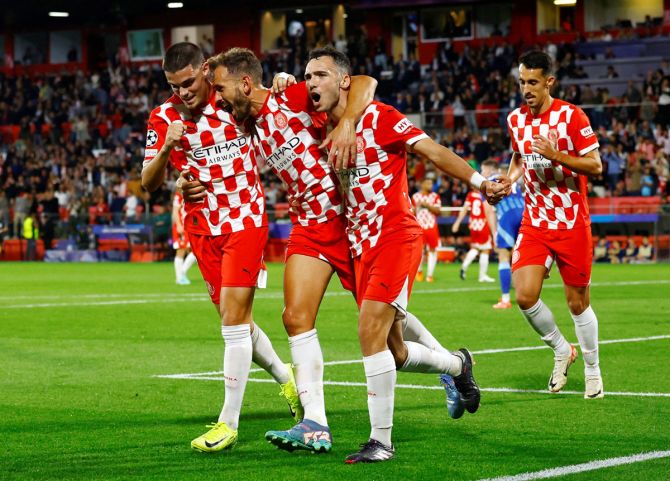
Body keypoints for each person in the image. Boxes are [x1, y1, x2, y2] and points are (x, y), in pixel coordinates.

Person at [182, 47, 465, 455]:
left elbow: (364, 83)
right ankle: (315, 422)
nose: (218, 99)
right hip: (310, 229)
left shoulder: (292, 95)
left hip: (351, 225)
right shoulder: (249, 127)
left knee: (392, 341)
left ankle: (454, 366)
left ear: (246, 84)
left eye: (221, 89)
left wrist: (347, 121)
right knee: (294, 317)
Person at [288, 46, 507, 463]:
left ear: (344, 81)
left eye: (319, 75)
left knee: (369, 331)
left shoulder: (380, 116)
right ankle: (458, 365)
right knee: (395, 349)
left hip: (396, 235)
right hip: (358, 244)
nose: (311, 82)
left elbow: (433, 151)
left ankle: (381, 441)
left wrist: (480, 183)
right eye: (306, 76)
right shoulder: (316, 126)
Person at [140, 42, 301, 453]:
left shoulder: (232, 101)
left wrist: (284, 83)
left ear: (206, 71)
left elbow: (271, 99)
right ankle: (287, 379)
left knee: (232, 322)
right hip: (202, 227)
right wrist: (166, 149)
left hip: (245, 220)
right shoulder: (163, 117)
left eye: (190, 83)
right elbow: (148, 181)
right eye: (174, 86)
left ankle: (228, 424)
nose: (183, 93)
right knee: (238, 323)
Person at [506, 50, 604, 399]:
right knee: (524, 294)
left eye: (533, 82)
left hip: (571, 220)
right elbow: (519, 156)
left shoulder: (571, 116)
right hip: (535, 220)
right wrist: (508, 180)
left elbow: (595, 166)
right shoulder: (515, 119)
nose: (526, 89)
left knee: (577, 303)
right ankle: (562, 349)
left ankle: (593, 371)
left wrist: (556, 155)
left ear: (549, 81)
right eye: (522, 82)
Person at [480, 160, 524, 309]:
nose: (481, 174)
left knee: (503, 255)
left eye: (482, 170)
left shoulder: (490, 181)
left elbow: (487, 208)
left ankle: (505, 299)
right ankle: (526, 295)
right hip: (524, 213)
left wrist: (494, 232)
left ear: (490, 170)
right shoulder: (515, 182)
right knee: (520, 256)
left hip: (507, 215)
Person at [451, 181, 496, 283]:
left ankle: (464, 266)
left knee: (476, 248)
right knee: (485, 250)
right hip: (482, 224)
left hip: (473, 225)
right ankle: (482, 276)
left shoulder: (470, 195)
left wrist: (457, 222)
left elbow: (464, 209)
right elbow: (488, 211)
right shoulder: (485, 195)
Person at [412, 176, 441, 282]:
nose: (430, 186)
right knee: (420, 251)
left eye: (431, 183)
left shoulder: (435, 196)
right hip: (419, 227)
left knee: (433, 250)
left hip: (431, 226)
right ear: (422, 184)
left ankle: (429, 275)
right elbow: (412, 212)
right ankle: (419, 272)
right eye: (428, 183)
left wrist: (427, 206)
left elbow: (438, 211)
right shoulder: (415, 197)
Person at [171, 190, 197, 285]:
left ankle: (181, 275)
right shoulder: (178, 196)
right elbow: (175, 211)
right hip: (181, 226)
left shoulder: (191, 194)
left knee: (194, 251)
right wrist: (178, 225)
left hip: (189, 226)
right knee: (181, 251)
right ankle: (180, 277)